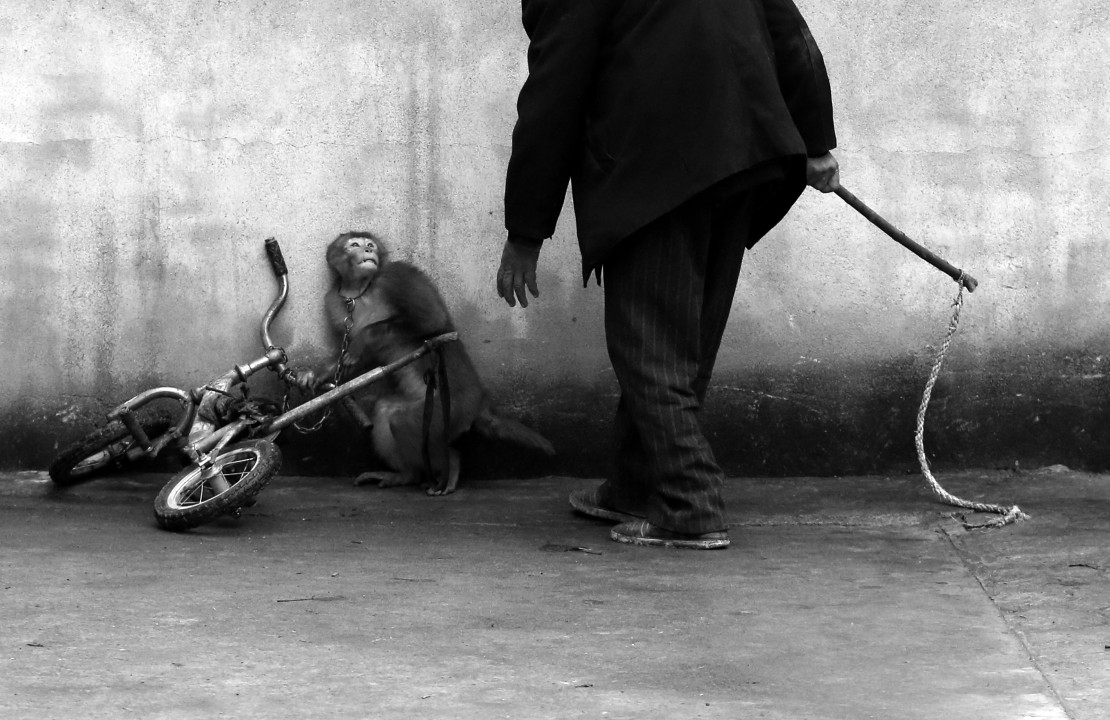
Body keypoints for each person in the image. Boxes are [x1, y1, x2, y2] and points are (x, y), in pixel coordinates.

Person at [495, 0, 841, 549]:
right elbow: (792, 35)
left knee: (651, 350)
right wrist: (816, 142)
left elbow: (554, 93)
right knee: (680, 345)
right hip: (746, 160)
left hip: (656, 171)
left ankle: (690, 505)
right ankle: (637, 486)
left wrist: (525, 232)